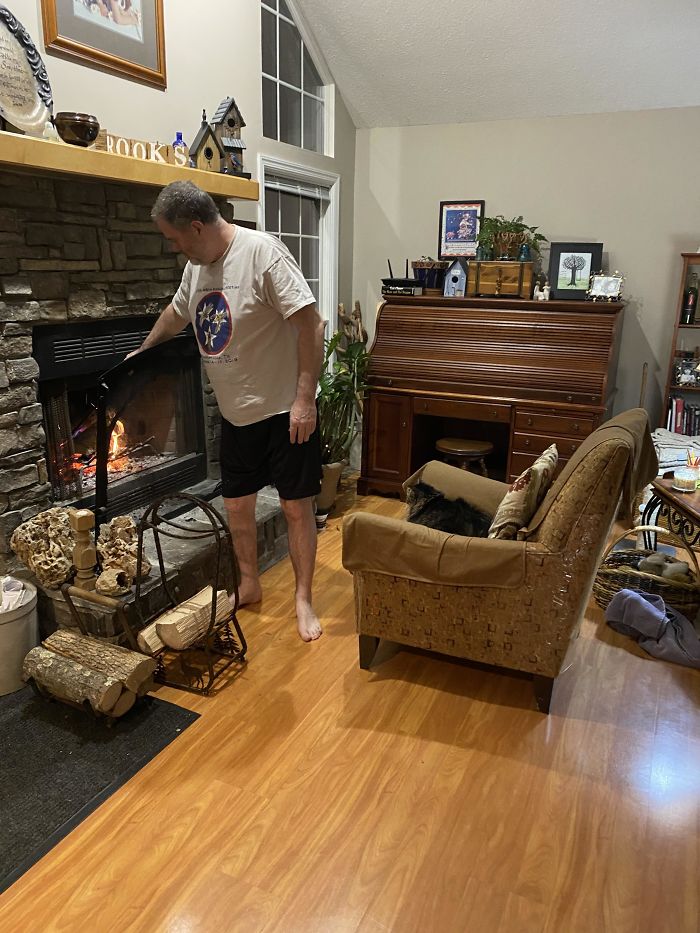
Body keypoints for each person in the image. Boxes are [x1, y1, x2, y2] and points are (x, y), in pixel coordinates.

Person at [129, 181, 325, 642]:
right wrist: (141, 351)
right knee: (236, 505)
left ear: (196, 227)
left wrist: (304, 399)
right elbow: (177, 315)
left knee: (296, 509)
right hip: (237, 415)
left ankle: (303, 599)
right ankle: (250, 584)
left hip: (283, 410)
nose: (174, 249)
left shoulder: (262, 254)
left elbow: (310, 325)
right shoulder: (196, 269)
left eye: (174, 239)